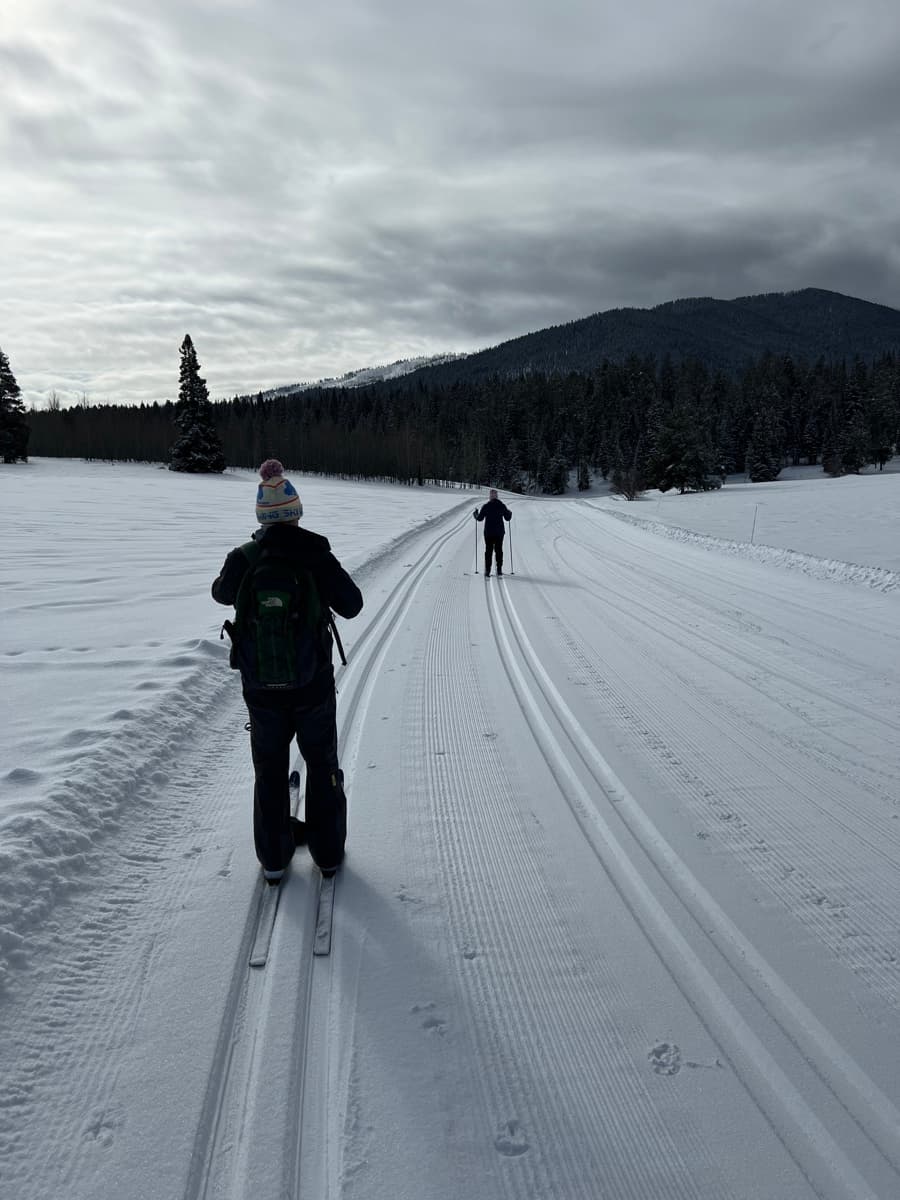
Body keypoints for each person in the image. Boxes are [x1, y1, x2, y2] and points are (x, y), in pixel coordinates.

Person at [212, 459, 363, 884]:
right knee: (321, 762)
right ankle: (328, 853)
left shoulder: (245, 557)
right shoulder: (316, 554)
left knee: (271, 768)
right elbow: (352, 605)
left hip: (261, 689)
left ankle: (275, 859)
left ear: (261, 515)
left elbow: (220, 593)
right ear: (296, 513)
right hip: (312, 685)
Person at [474, 488, 512, 576]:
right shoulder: (501, 506)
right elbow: (507, 518)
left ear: (490, 497)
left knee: (488, 551)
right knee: (499, 550)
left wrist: (475, 514)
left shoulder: (486, 506)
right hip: (499, 532)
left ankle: (488, 571)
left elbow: (479, 519)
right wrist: (510, 513)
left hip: (488, 532)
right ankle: (499, 569)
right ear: (497, 496)